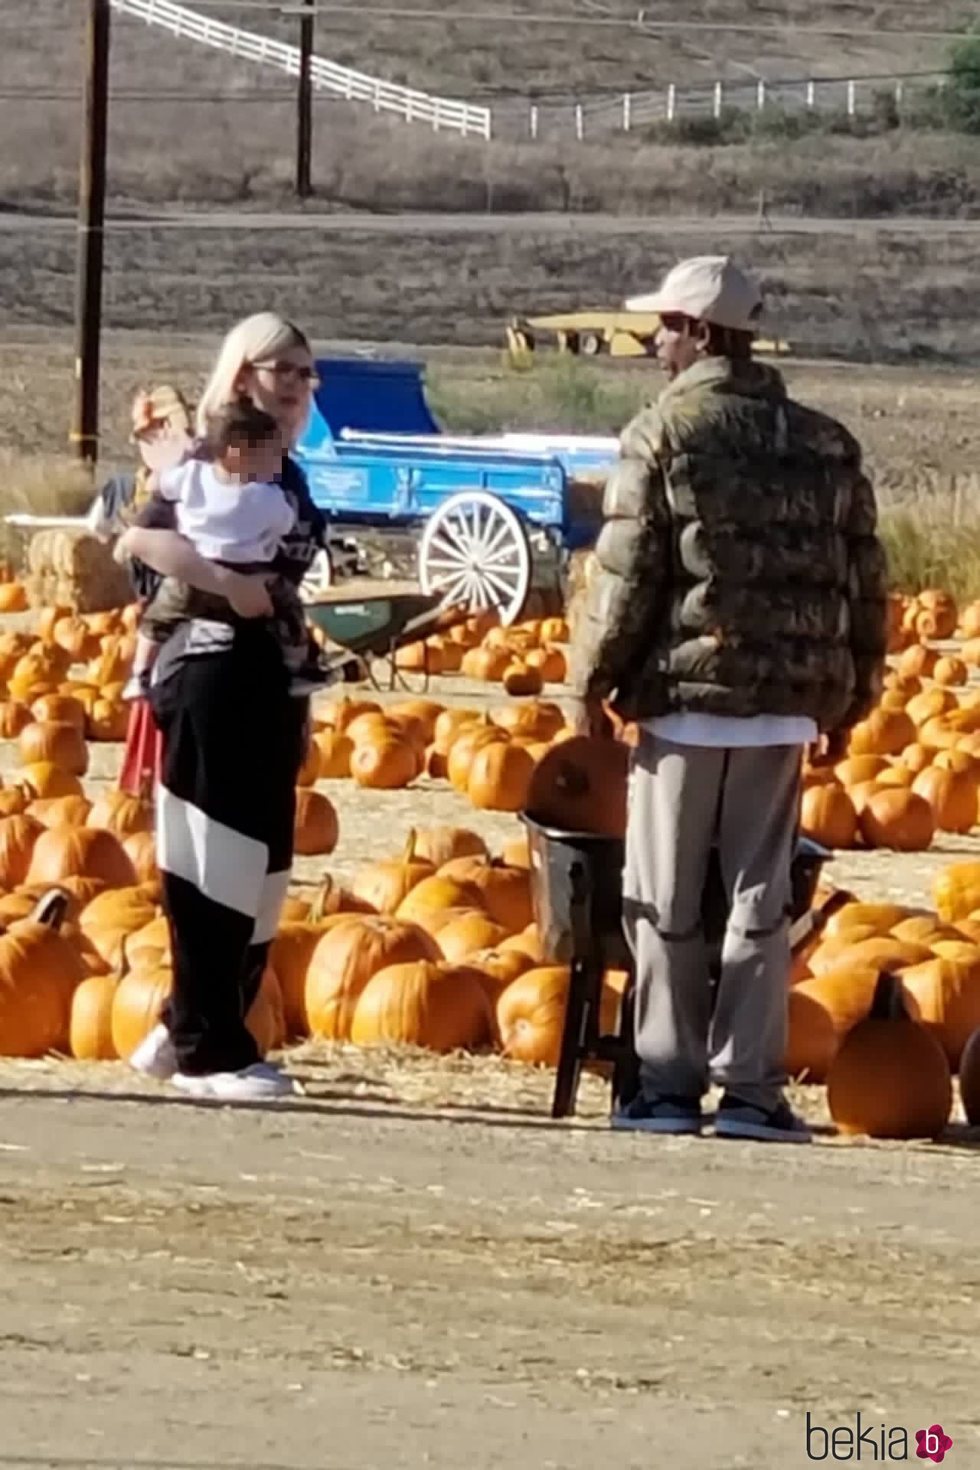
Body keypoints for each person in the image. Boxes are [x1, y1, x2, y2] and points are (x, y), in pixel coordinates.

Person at [572, 256, 888, 1144]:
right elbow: (866, 582)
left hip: (681, 701)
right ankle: (751, 1091)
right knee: (760, 897)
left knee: (664, 897)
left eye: (665, 328)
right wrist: (854, 696)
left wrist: (589, 683)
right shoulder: (823, 441)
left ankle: (667, 1087)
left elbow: (628, 576)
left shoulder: (663, 434)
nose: (655, 345)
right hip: (786, 707)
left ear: (704, 334)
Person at [115, 312, 335, 1103]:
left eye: (309, 376)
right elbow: (142, 541)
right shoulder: (207, 460)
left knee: (264, 865)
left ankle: (189, 1023)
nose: (302, 390)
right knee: (216, 858)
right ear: (244, 375)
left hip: (266, 672)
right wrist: (228, 585)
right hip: (208, 664)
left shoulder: (283, 470)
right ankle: (212, 1051)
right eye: (287, 373)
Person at [125, 397, 329, 701]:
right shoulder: (265, 496)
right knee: (289, 612)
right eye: (272, 456)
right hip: (250, 577)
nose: (277, 465)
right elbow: (285, 525)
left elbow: (159, 486)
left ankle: (140, 674)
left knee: (157, 621)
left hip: (191, 578)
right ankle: (296, 667)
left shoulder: (192, 476)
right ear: (237, 453)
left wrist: (175, 459)